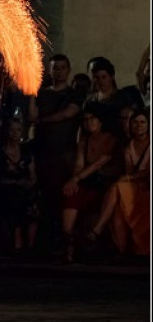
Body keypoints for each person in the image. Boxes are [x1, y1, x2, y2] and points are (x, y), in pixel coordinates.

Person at [28, 54, 82, 252]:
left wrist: (43, 120)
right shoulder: (42, 94)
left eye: (61, 67)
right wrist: (32, 94)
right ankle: (45, 243)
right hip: (44, 151)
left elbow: (69, 113)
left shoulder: (74, 94)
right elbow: (32, 117)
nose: (58, 71)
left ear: (68, 70)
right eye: (55, 68)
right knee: (45, 196)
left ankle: (61, 241)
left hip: (64, 153)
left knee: (62, 197)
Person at [60, 105, 120, 263]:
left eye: (93, 118)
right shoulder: (84, 141)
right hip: (87, 180)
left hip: (105, 181)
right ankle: (68, 239)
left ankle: (89, 240)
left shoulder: (111, 139)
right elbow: (79, 164)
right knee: (70, 193)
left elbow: (99, 163)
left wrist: (76, 179)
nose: (89, 122)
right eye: (86, 119)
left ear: (100, 120)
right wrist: (74, 180)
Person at [86, 109, 149, 258]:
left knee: (117, 188)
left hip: (147, 185)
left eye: (142, 122)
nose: (139, 125)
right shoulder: (130, 146)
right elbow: (129, 172)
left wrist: (129, 178)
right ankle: (121, 248)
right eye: (135, 122)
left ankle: (97, 229)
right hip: (136, 185)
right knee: (118, 203)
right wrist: (129, 178)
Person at [0, 118, 38, 255]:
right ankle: (17, 242)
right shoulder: (0, 152)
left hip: (25, 188)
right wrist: (15, 182)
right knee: (14, 200)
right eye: (11, 129)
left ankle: (30, 246)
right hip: (7, 189)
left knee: (32, 203)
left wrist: (31, 184)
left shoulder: (26, 151)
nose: (15, 133)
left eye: (18, 130)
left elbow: (33, 174)